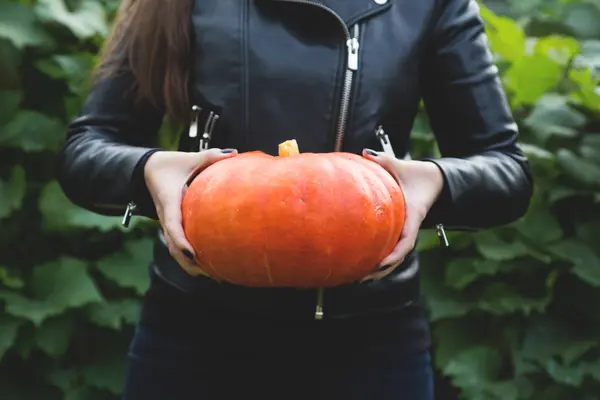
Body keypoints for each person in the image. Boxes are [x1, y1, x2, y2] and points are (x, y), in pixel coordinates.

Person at [56, 0, 533, 399]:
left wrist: (434, 182)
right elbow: (86, 150)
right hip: (194, 338)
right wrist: (147, 171)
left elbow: (506, 169)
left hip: (371, 345)